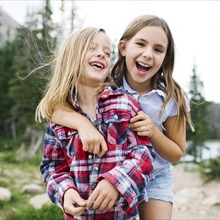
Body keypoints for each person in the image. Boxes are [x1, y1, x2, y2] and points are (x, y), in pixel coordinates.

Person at [52, 15, 194, 219]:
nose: (147, 54)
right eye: (141, 44)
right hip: (117, 170)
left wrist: (153, 132)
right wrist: (84, 125)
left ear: (165, 57)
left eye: (158, 49)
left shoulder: (171, 97)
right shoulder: (106, 85)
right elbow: (55, 109)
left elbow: (177, 153)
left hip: (156, 175)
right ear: (123, 47)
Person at [35, 27, 153, 220]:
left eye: (107, 53)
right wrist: (66, 192)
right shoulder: (59, 118)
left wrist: (116, 183)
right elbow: (52, 166)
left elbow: (144, 156)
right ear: (71, 57)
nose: (101, 54)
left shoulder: (124, 105)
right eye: (92, 48)